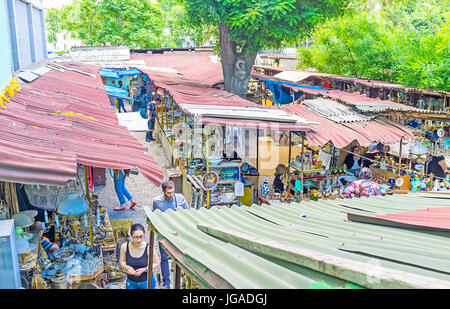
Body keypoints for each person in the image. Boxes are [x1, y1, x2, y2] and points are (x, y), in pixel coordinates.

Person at [152, 180, 189, 289]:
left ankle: (180, 281)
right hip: (164, 234)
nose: (171, 195)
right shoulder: (157, 202)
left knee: (180, 257)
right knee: (164, 258)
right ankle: (166, 283)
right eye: (168, 193)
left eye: (172, 192)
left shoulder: (180, 199)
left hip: (178, 233)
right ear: (163, 191)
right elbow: (155, 218)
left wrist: (182, 211)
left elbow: (189, 213)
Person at [120, 223, 159, 289]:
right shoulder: (124, 247)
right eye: (136, 237)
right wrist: (128, 267)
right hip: (131, 282)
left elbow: (156, 263)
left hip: (146, 281)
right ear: (131, 235)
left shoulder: (148, 248)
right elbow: (122, 261)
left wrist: (144, 269)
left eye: (141, 237)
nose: (139, 240)